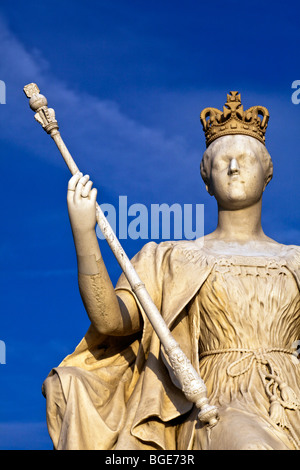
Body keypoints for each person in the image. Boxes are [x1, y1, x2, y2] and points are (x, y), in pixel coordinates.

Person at [42, 92, 300, 450]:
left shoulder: (295, 259)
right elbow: (111, 322)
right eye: (222, 160)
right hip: (222, 403)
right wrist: (85, 234)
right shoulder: (171, 258)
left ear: (267, 173)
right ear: (206, 179)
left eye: (246, 159)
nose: (234, 168)